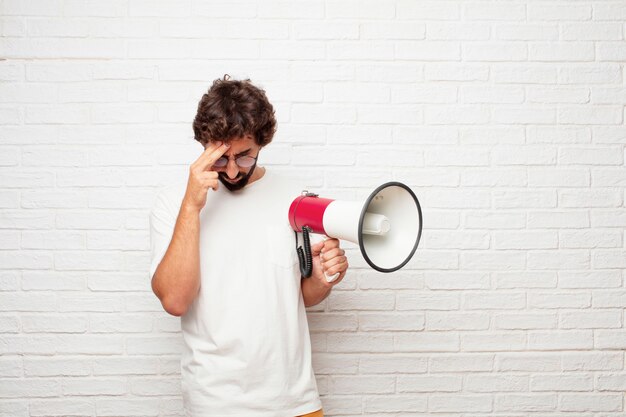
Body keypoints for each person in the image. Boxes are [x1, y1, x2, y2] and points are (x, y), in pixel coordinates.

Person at [149, 75, 349, 417]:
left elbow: (301, 297)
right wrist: (192, 207)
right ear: (204, 145)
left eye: (243, 157)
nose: (229, 171)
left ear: (262, 142)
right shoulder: (173, 203)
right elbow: (175, 300)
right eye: (219, 158)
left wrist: (322, 278)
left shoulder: (295, 198)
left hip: (294, 401)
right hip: (216, 404)